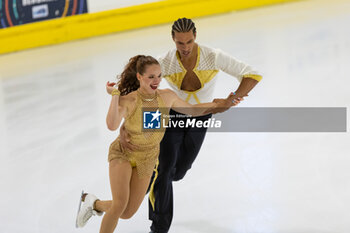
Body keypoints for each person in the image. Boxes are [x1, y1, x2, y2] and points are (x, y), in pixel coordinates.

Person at [75, 55, 239, 233]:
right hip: (123, 154)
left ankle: (93, 203)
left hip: (147, 159)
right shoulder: (129, 99)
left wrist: (217, 105)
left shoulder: (167, 97)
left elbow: (191, 110)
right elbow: (112, 125)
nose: (157, 81)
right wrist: (115, 95)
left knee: (127, 212)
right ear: (139, 77)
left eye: (159, 76)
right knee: (119, 204)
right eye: (151, 77)